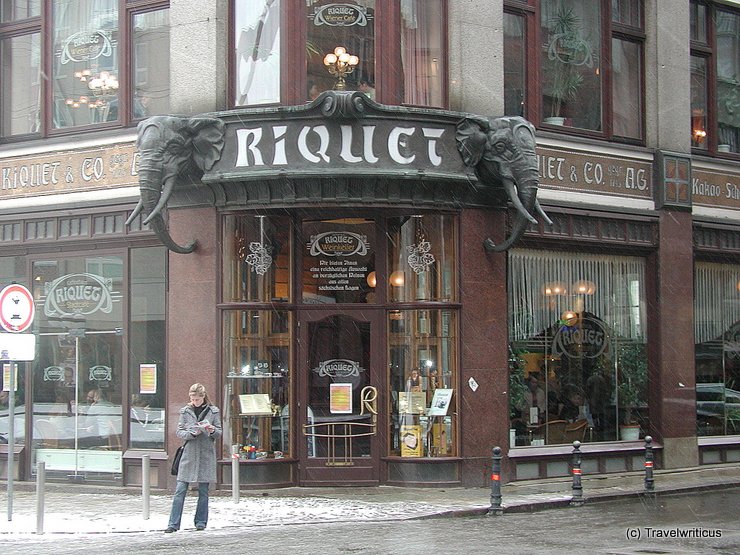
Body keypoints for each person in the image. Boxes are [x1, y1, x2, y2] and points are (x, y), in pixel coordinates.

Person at [166, 383, 222, 533]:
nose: (195, 401)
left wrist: (211, 430)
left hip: (205, 454)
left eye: (197, 399)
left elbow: (219, 433)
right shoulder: (185, 411)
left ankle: (201, 522)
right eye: (192, 399)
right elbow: (179, 431)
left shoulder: (213, 411)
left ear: (203, 397)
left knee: (203, 491)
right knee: (180, 489)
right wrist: (191, 434)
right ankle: (173, 524)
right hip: (189, 454)